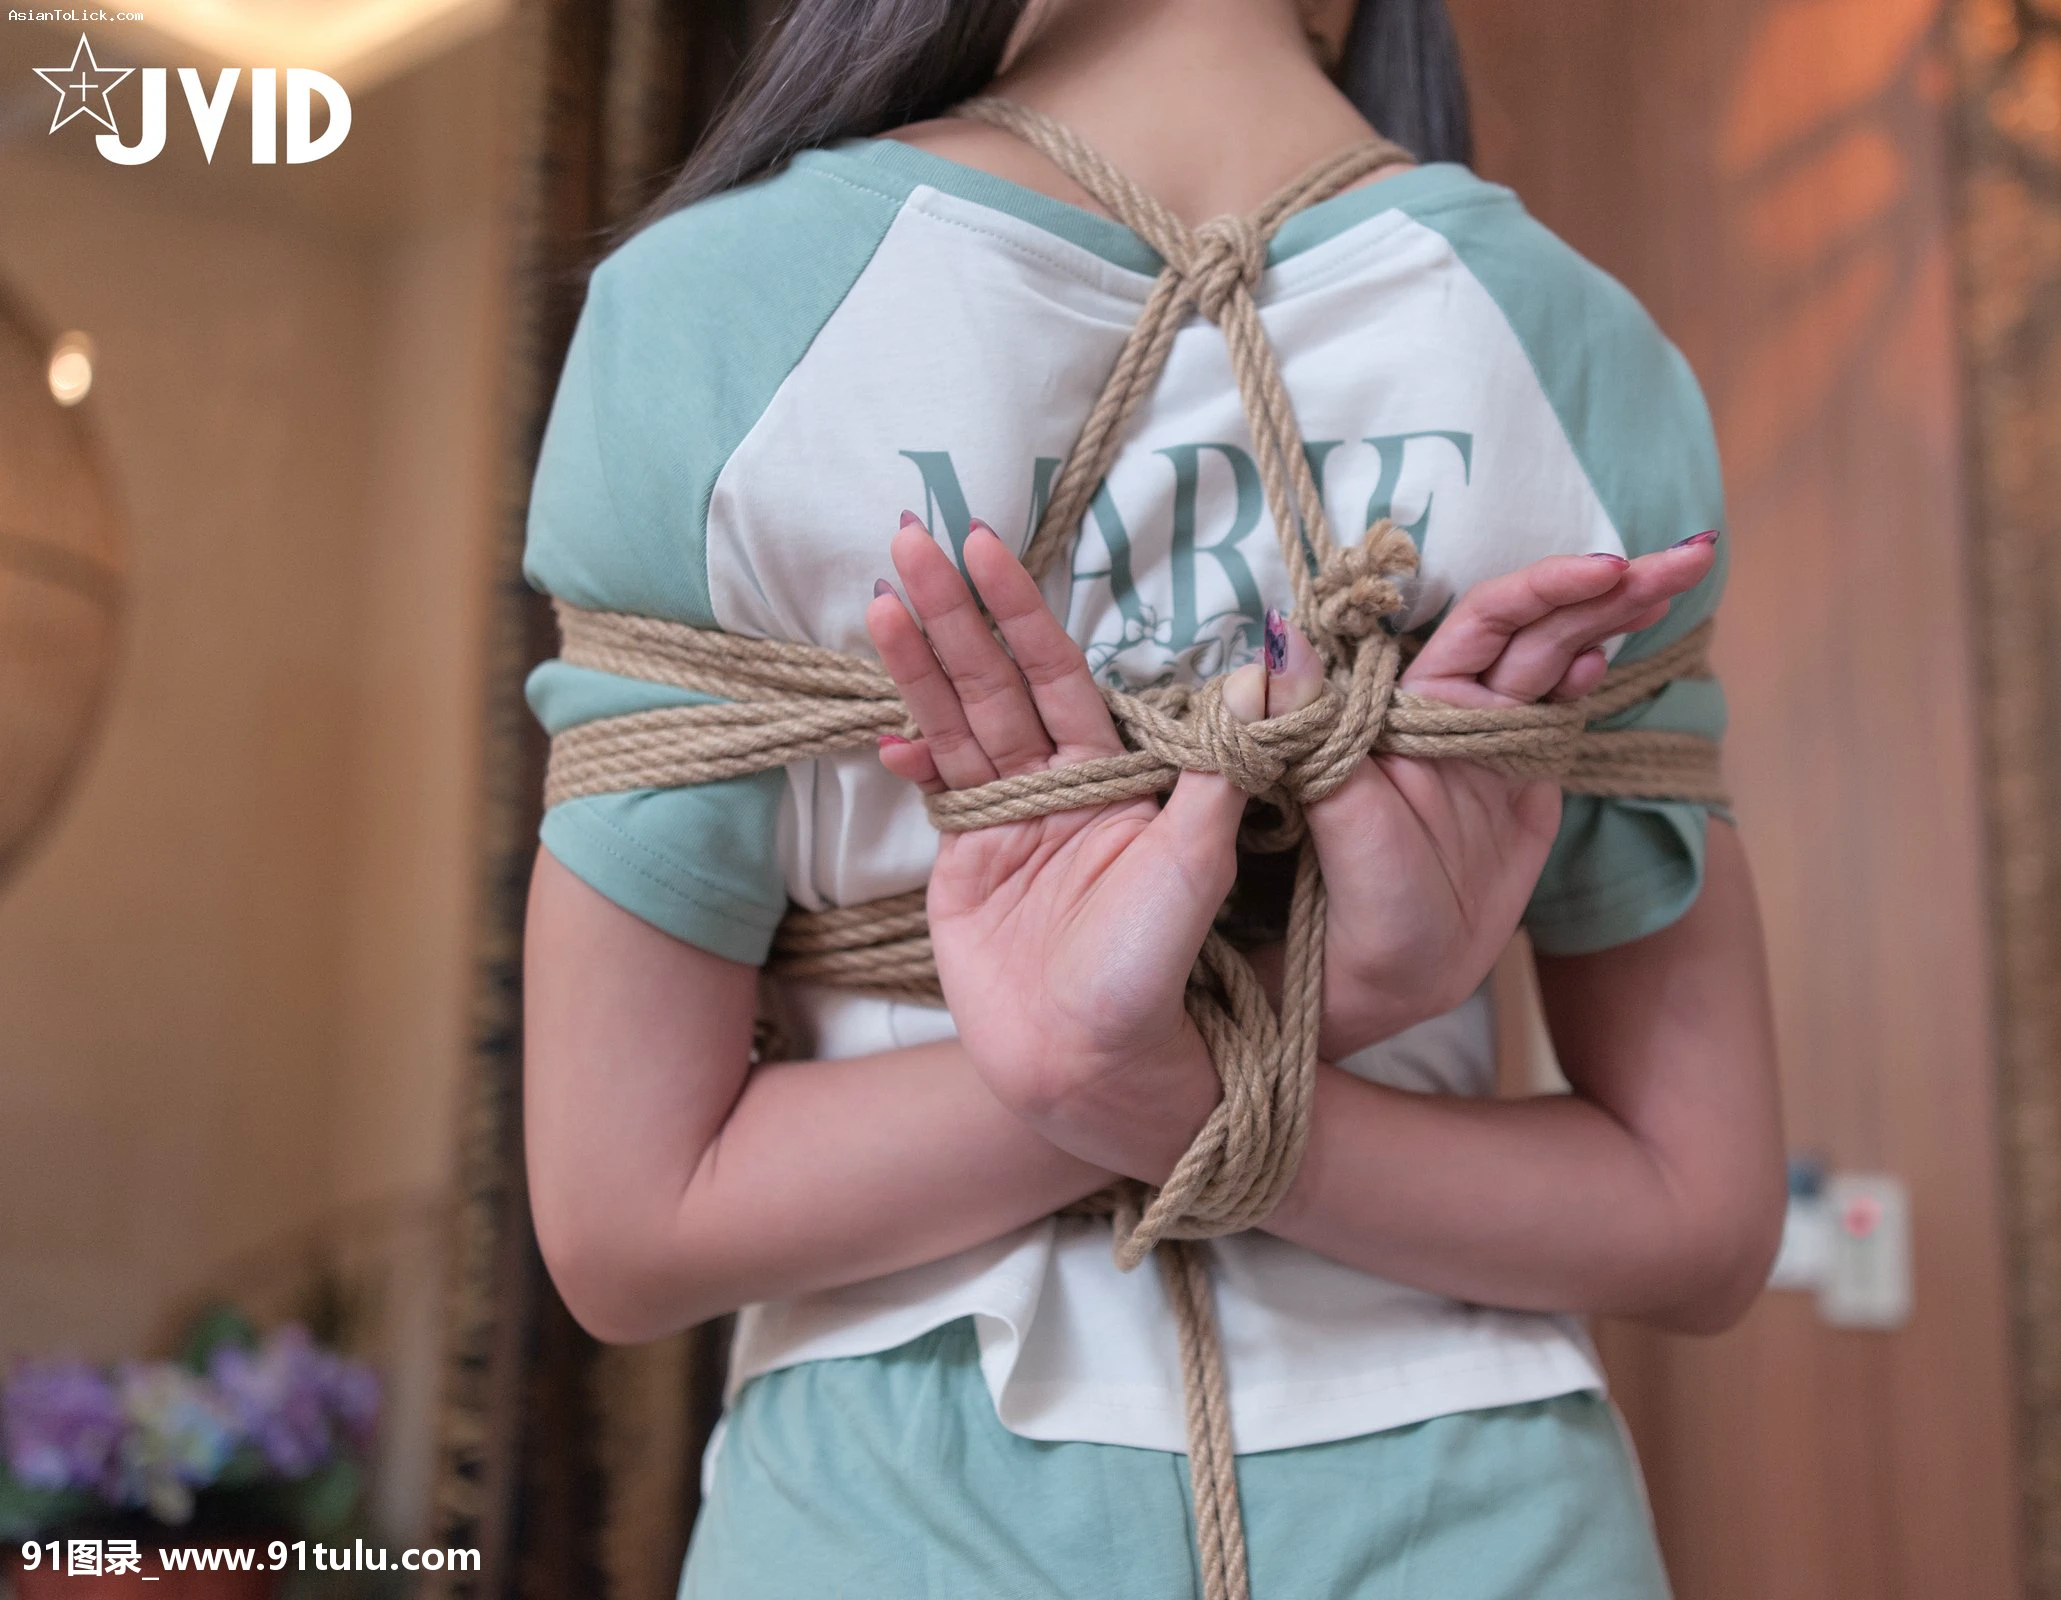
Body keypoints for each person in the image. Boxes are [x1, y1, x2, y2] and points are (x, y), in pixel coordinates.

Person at [519, 0, 1786, 1592]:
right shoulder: (1575, 353)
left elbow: (629, 1223)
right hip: (1491, 1515)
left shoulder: (715, 317)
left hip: (891, 1518)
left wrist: (1126, 1070)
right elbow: (1699, 1212)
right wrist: (1300, 1013)